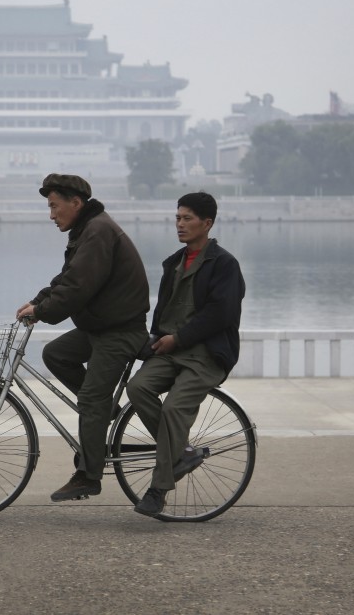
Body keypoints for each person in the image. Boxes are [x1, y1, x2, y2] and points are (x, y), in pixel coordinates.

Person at [16, 173, 150, 502]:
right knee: (56, 354)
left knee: (90, 400)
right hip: (100, 327)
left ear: (76, 203)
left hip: (119, 332)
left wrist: (43, 312)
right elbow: (67, 278)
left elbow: (78, 288)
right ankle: (104, 408)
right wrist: (38, 301)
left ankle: (89, 475)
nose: (51, 215)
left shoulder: (98, 231)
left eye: (54, 206)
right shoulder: (87, 230)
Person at [125, 192, 246, 517]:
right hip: (170, 350)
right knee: (137, 388)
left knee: (174, 408)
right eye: (178, 218)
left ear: (207, 223)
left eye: (187, 218)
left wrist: (177, 339)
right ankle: (182, 452)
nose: (180, 224)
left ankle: (158, 490)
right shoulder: (174, 263)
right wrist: (152, 340)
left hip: (205, 355)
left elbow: (220, 314)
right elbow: (162, 311)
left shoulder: (224, 264)